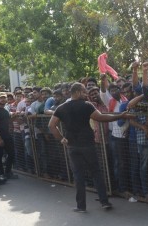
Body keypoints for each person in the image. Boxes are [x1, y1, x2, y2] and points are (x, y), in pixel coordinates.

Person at [48, 82, 135, 213]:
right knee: (96, 173)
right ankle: (104, 202)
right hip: (88, 145)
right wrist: (120, 115)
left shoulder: (61, 107)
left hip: (72, 146)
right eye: (84, 92)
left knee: (78, 176)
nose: (86, 94)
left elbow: (51, 125)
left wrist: (62, 139)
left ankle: (81, 206)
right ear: (77, 92)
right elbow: (101, 118)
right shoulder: (86, 105)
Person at [0, 92, 19, 179]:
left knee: (11, 153)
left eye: (5, 98)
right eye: (1, 98)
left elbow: (8, 121)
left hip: (7, 134)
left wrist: (15, 116)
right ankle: (1, 173)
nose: (3, 99)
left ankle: (8, 172)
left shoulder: (6, 108)